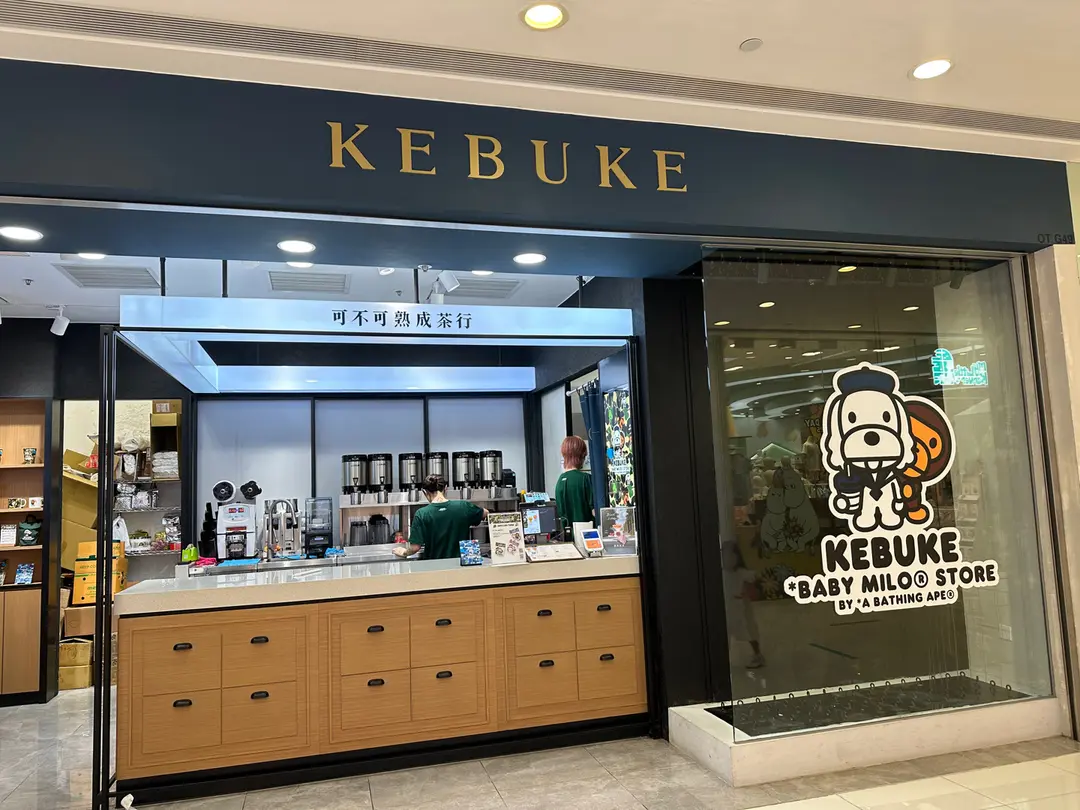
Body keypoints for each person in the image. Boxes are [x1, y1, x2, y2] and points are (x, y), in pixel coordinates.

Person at [393, 475, 487, 560]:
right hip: (461, 565)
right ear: (446, 488)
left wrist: (403, 552)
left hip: (434, 566)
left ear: (424, 492)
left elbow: (415, 547)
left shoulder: (422, 514)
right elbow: (485, 513)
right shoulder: (463, 506)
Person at [555, 435, 595, 533]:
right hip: (587, 535)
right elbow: (595, 512)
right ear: (581, 456)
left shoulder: (559, 481)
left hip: (566, 536)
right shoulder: (586, 479)